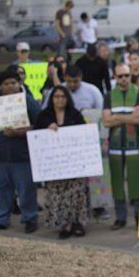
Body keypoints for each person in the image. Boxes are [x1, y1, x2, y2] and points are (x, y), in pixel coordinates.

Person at [34, 85, 88, 239]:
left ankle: (78, 224)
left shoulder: (75, 114)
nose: (60, 99)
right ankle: (64, 225)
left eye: (63, 96)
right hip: (54, 167)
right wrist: (46, 128)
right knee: (58, 196)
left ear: (67, 99)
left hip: (74, 165)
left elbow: (84, 134)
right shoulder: (44, 116)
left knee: (77, 194)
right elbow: (36, 136)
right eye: (56, 96)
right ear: (51, 99)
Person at [0, 68, 41, 233]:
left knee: (26, 188)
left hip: (22, 155)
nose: (10, 86)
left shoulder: (28, 101)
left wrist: (18, 132)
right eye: (6, 84)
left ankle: (30, 218)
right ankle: (1, 217)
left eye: (13, 83)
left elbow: (40, 124)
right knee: (2, 188)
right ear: (0, 85)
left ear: (19, 83)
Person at [102, 63, 139, 230]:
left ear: (130, 76)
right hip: (114, 146)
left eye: (126, 75)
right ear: (114, 77)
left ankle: (137, 217)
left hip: (135, 145)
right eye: (120, 76)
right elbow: (106, 121)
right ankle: (120, 218)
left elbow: (138, 118)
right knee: (117, 182)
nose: (123, 79)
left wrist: (116, 117)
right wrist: (129, 116)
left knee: (136, 182)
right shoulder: (108, 96)